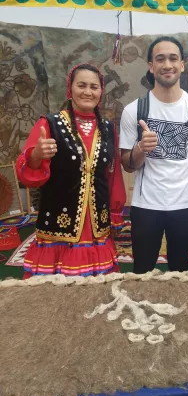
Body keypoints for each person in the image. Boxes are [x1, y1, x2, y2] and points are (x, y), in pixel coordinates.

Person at [16, 63, 126, 278]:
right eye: (81, 85)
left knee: (95, 293)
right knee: (55, 293)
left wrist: (115, 210)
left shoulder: (108, 128)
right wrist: (37, 154)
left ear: (101, 92)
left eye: (94, 87)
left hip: (96, 223)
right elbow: (29, 177)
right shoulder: (49, 123)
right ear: (70, 89)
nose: (87, 92)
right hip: (59, 219)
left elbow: (112, 175)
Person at [120, 36, 188, 274]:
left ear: (182, 64)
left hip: (186, 204)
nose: (167, 64)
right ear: (151, 66)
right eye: (160, 59)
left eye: (173, 58)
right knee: (142, 269)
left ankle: (178, 311)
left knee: (180, 270)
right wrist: (141, 148)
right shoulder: (134, 110)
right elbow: (128, 164)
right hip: (146, 204)